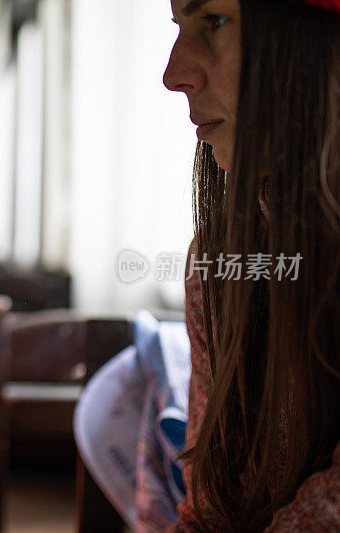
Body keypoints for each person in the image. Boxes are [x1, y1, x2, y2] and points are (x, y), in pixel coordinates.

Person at [164, 0, 340, 529]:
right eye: (179, 28)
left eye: (214, 21)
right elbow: (207, 513)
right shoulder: (218, 264)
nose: (174, 74)